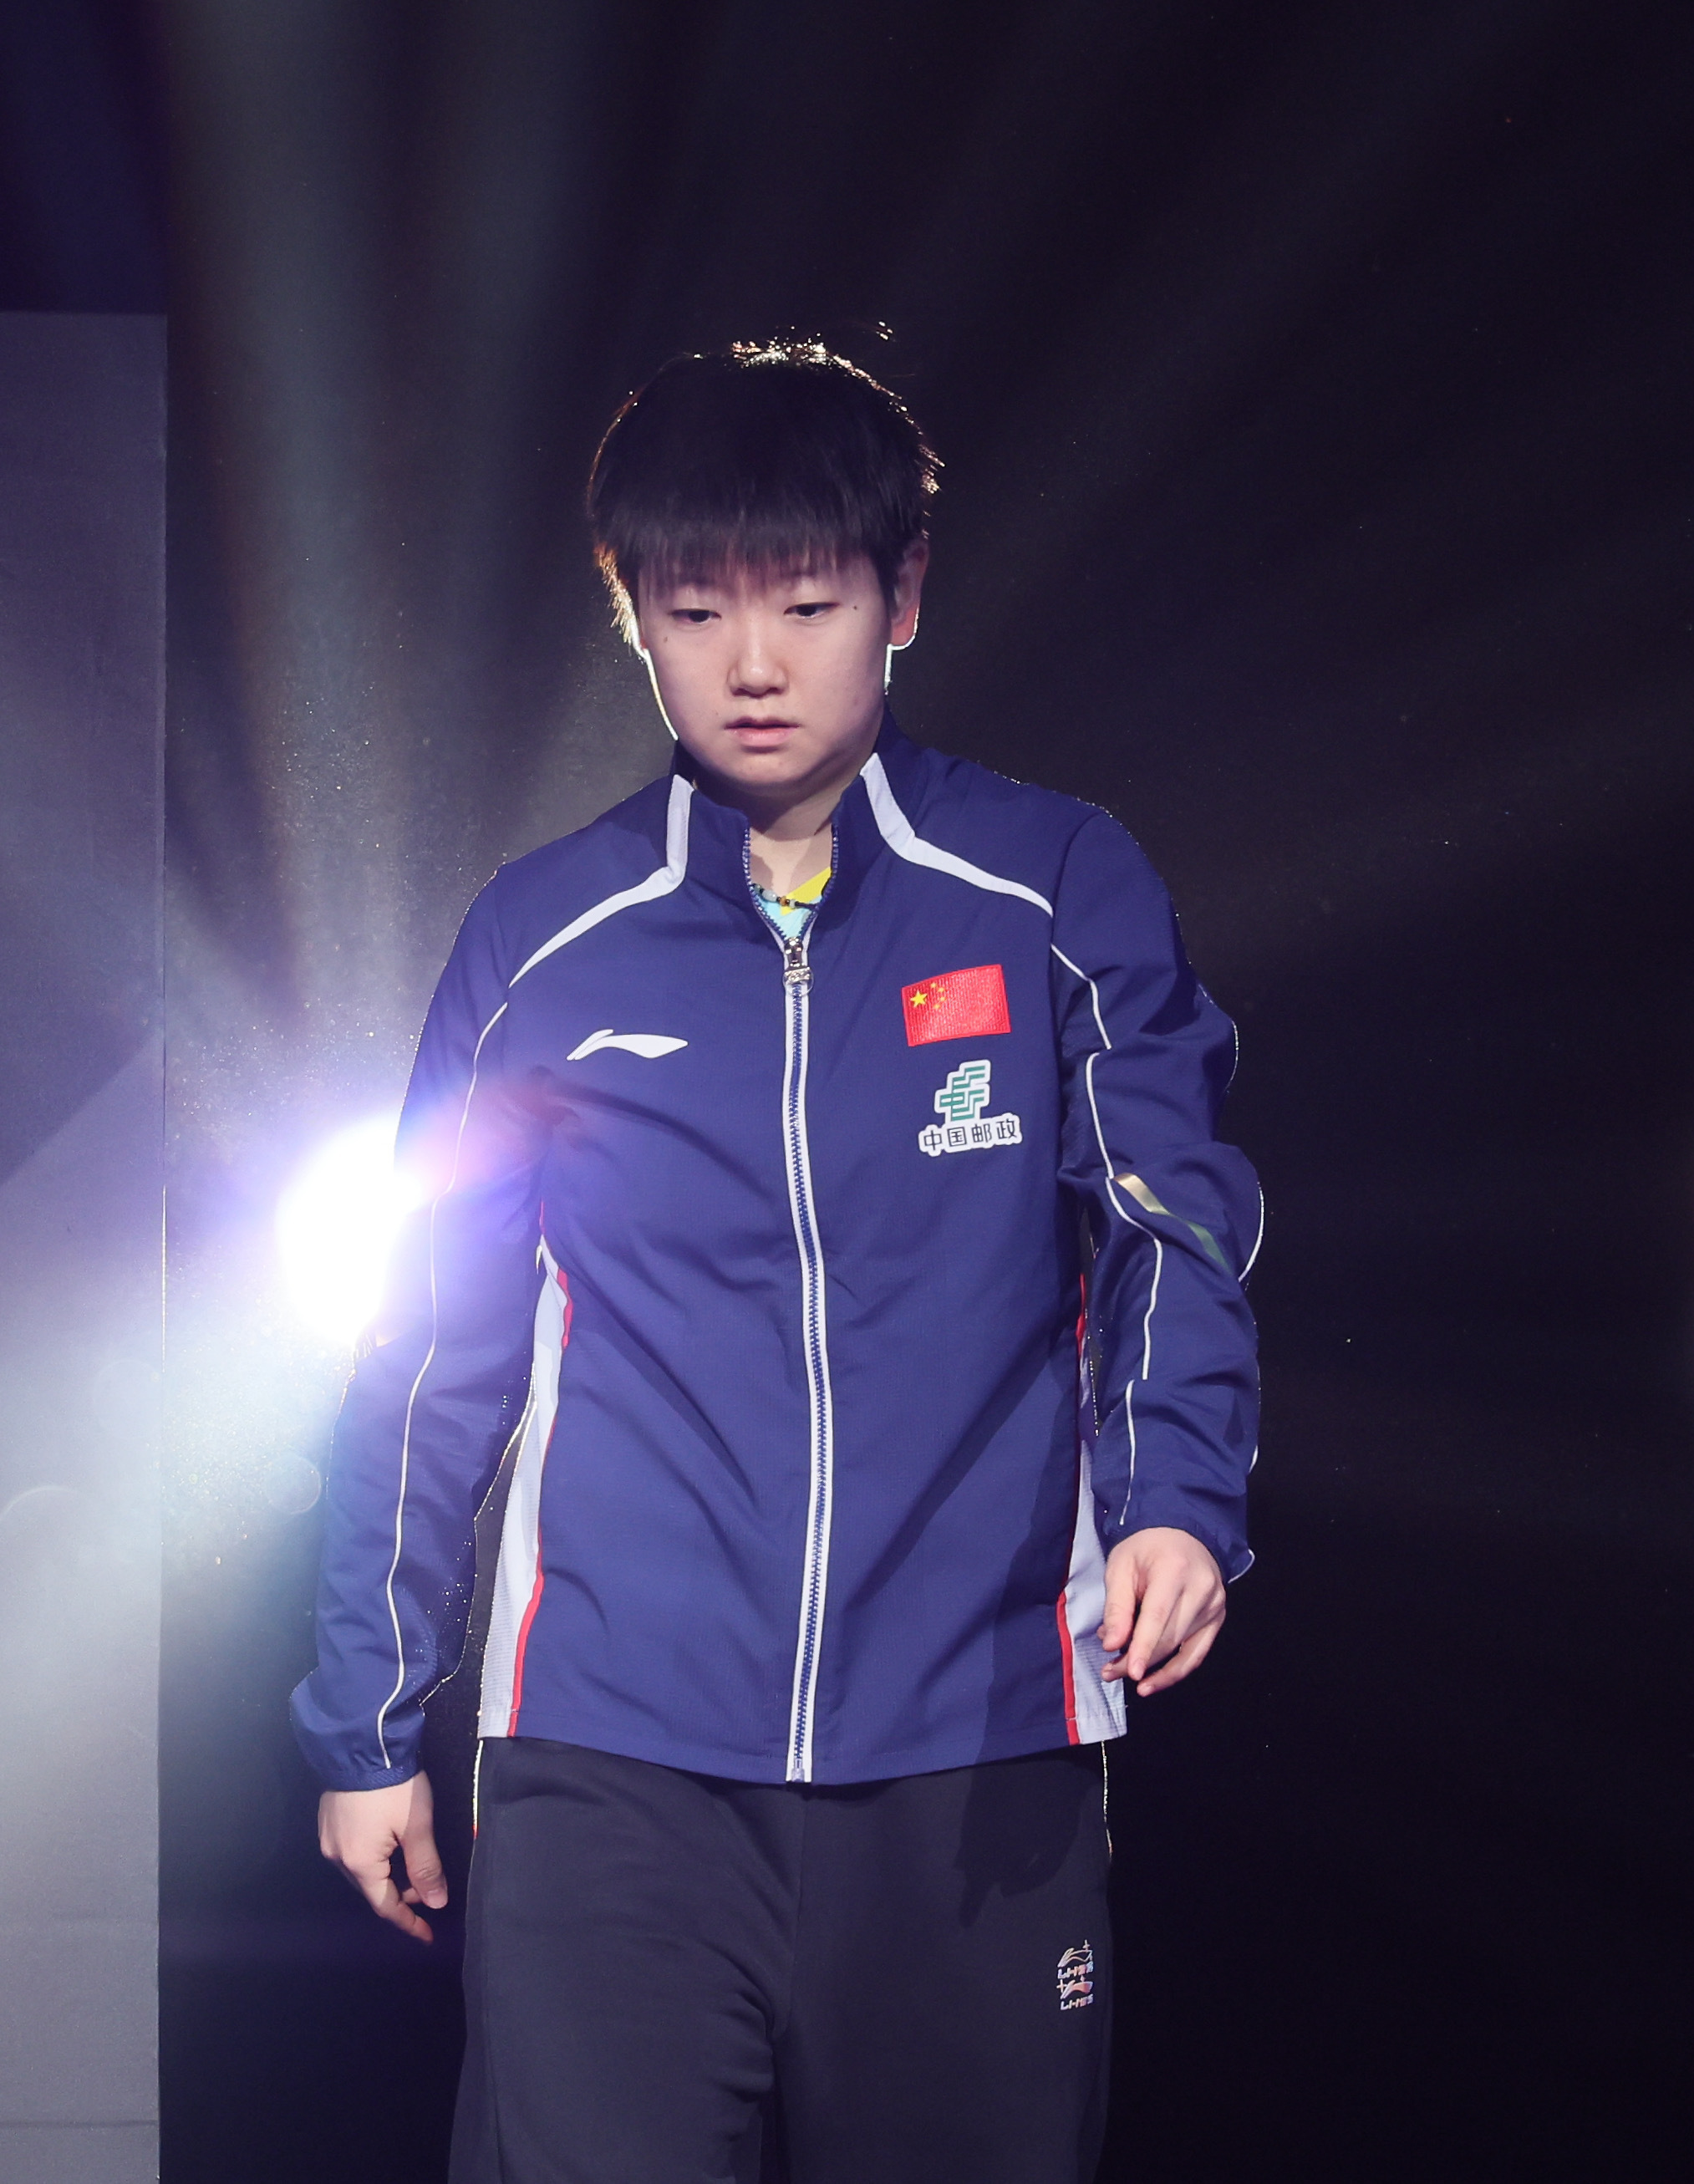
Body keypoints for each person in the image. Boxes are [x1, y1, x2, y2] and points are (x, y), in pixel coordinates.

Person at [291, 337, 1261, 2184]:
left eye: (808, 603)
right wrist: (365, 1719)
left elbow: (1175, 1216)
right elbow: (427, 1352)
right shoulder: (543, 940)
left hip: (975, 1743)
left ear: (905, 592)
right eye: (695, 609)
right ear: (629, 611)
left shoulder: (1053, 886)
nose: (753, 661)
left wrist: (1176, 1500)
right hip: (614, 1764)